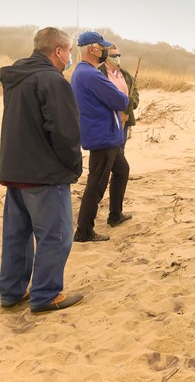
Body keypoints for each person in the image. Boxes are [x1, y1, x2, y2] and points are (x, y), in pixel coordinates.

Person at [0, 27, 84, 313]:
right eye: (69, 52)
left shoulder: (15, 77)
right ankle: (46, 294)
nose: (70, 57)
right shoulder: (51, 80)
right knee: (56, 235)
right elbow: (64, 132)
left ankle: (10, 291)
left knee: (17, 235)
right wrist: (73, 166)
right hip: (44, 174)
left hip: (15, 170)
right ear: (59, 51)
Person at [71, 32, 130, 242]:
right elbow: (120, 100)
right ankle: (84, 231)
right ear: (91, 49)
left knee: (122, 170)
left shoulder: (82, 72)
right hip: (102, 137)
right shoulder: (91, 75)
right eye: (101, 47)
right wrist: (122, 98)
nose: (104, 51)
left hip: (106, 135)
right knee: (96, 185)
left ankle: (115, 215)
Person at [98, 45, 139, 146]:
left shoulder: (125, 74)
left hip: (125, 117)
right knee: (109, 150)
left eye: (118, 55)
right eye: (113, 55)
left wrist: (132, 104)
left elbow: (134, 91)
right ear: (106, 57)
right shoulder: (99, 73)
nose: (116, 58)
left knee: (121, 149)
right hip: (108, 120)